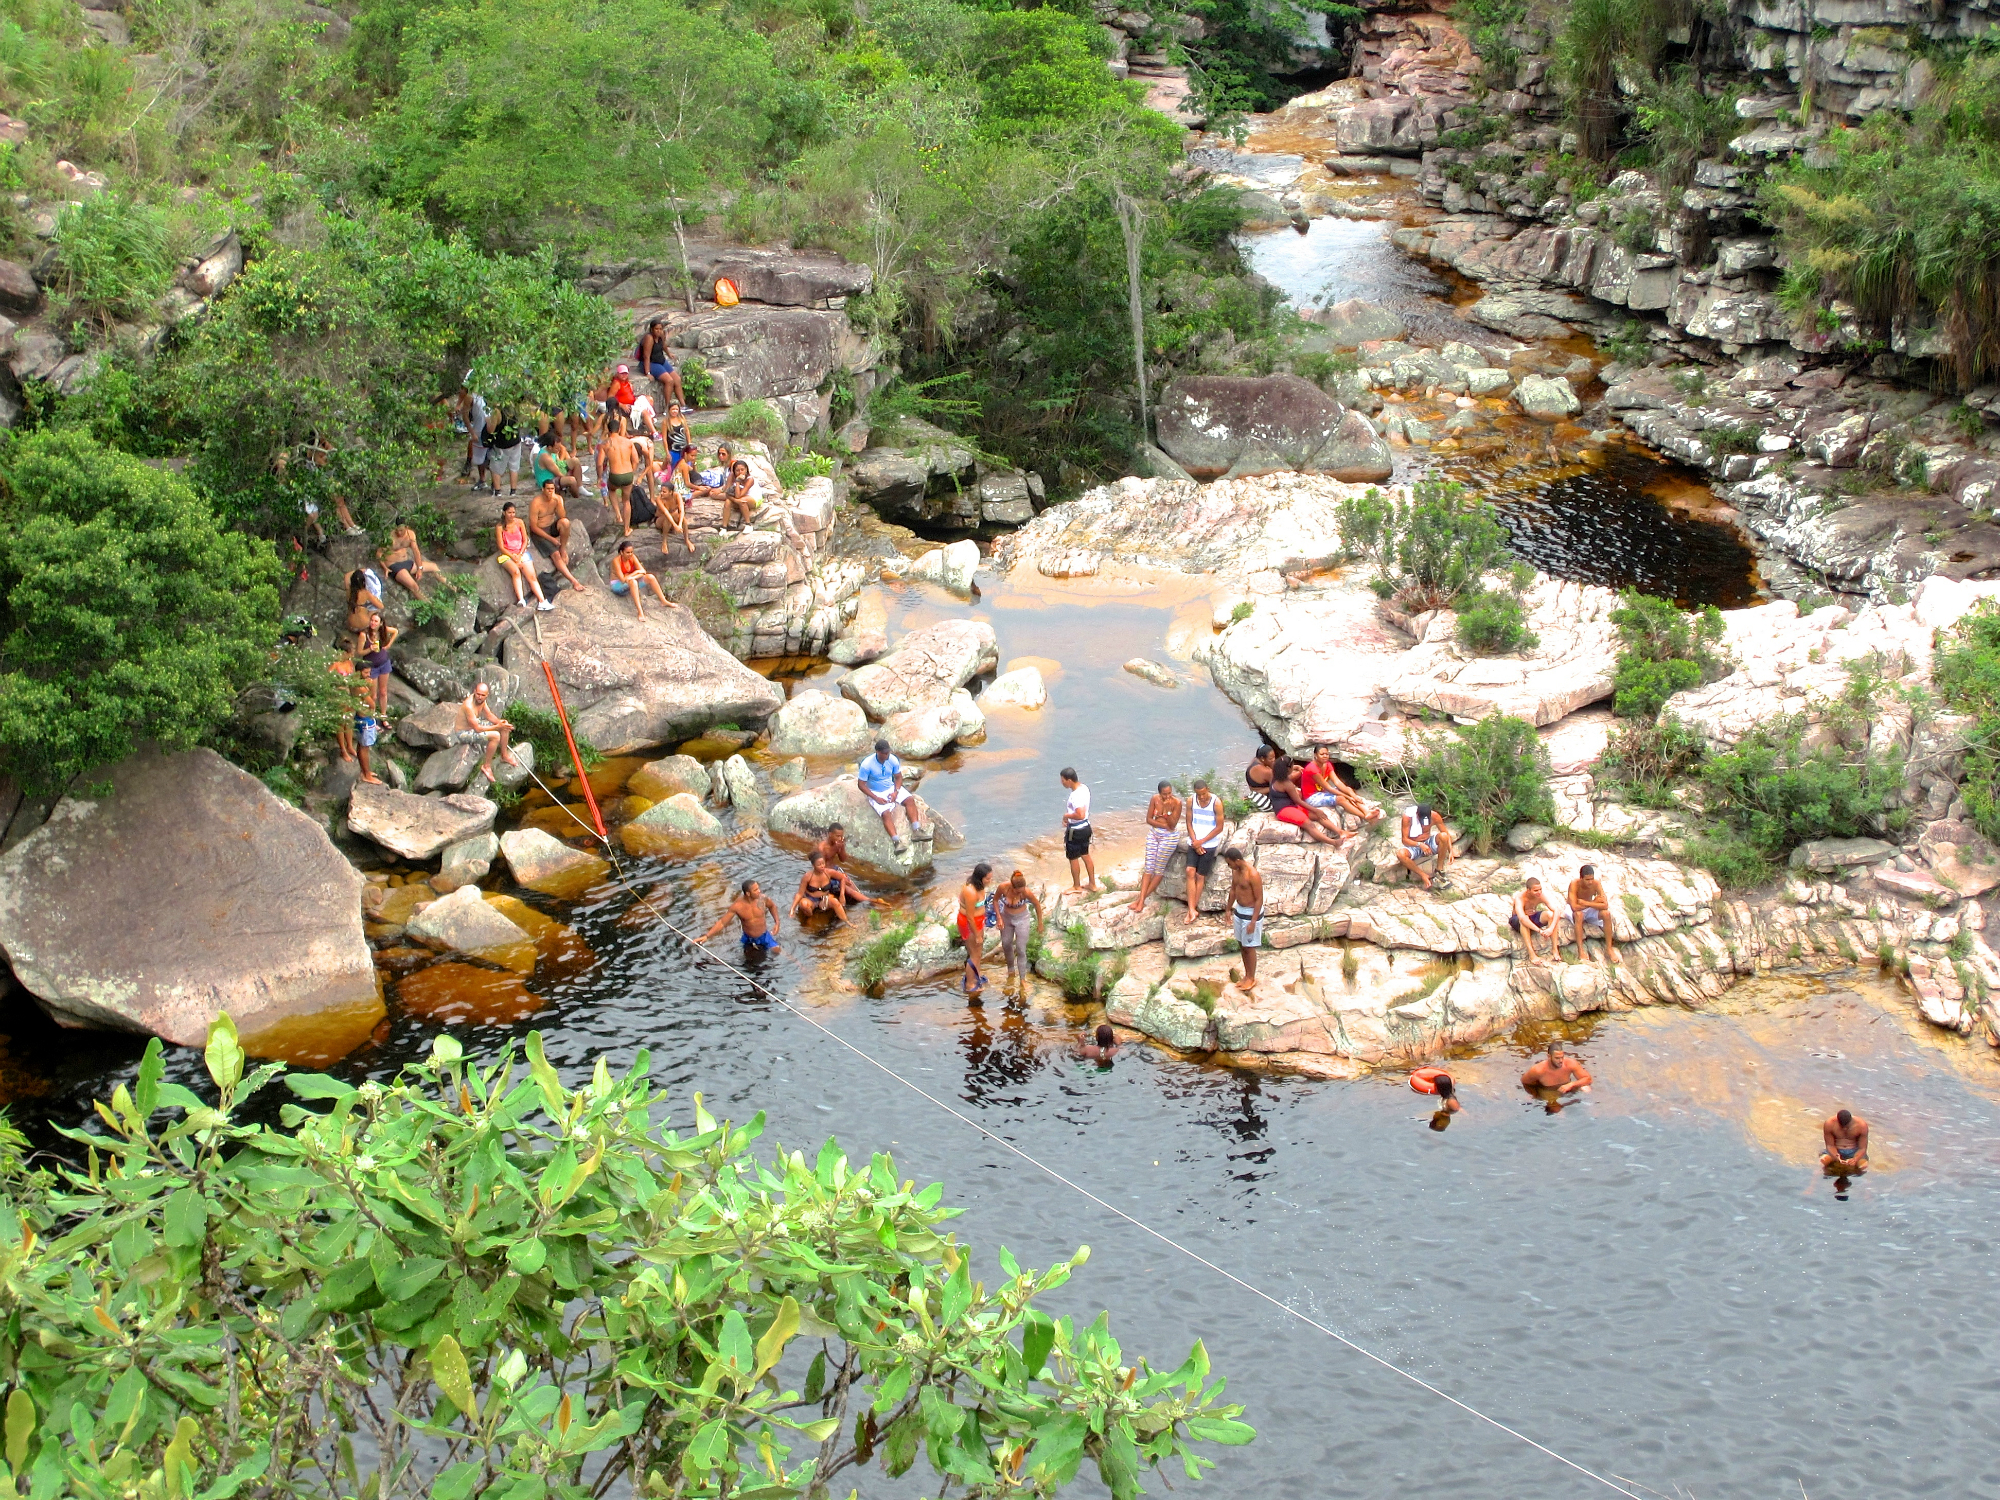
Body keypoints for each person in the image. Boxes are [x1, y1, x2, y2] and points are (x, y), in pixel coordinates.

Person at [857, 738, 926, 851]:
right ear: (877, 752)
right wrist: (875, 798)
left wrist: (896, 792)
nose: (887, 755)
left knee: (909, 799)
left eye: (888, 752)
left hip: (891, 787)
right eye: (884, 753)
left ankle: (917, 831)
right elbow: (861, 784)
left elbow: (898, 777)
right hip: (875, 792)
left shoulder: (893, 760)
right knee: (885, 813)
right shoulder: (867, 765)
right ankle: (896, 842)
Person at [1131, 779, 1184, 913]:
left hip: (1169, 837)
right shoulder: (1154, 799)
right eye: (1164, 794)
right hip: (1154, 834)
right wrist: (1162, 824)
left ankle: (1141, 900)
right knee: (1148, 868)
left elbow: (1172, 825)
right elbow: (1149, 820)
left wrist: (1167, 811)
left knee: (1158, 870)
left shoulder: (1177, 803)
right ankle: (1141, 899)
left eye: (1169, 793)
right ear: (1159, 793)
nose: (1167, 796)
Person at [452, 680, 518, 784]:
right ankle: (486, 766)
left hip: (474, 726)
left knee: (504, 727)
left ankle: (504, 756)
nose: (479, 697)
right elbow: (477, 729)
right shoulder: (468, 706)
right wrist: (497, 727)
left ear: (487, 695)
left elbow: (489, 715)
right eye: (478, 694)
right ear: (474, 691)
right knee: (495, 736)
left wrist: (500, 723)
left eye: (482, 695)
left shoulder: (482, 701)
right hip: (464, 732)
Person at [1269, 756, 1345, 846]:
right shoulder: (1287, 784)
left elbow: (1289, 769)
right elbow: (1298, 801)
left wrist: (1297, 767)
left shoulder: (1276, 776)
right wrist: (1316, 810)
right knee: (1309, 824)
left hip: (1290, 805)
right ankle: (1333, 842)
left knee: (1317, 816)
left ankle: (1340, 832)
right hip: (1284, 810)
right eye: (1292, 767)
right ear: (1288, 769)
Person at [1304, 746, 1382, 831]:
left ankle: (1367, 812)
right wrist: (1348, 797)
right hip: (1312, 797)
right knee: (1341, 799)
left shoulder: (1327, 765)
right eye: (1322, 754)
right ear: (1315, 755)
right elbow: (1329, 788)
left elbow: (1337, 782)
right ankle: (1365, 817)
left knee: (1349, 790)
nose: (1325, 756)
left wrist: (1352, 795)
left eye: (1327, 754)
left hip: (1323, 791)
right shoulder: (1312, 769)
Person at [529, 481, 585, 594]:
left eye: (552, 489)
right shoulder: (536, 503)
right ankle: (574, 581)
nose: (550, 491)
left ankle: (563, 548)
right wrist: (551, 539)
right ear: (543, 489)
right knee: (556, 555)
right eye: (548, 489)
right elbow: (534, 527)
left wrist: (558, 502)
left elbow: (563, 516)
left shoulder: (557, 499)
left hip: (551, 526)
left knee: (565, 522)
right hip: (539, 531)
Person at [698, 878, 782, 953]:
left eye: (758, 888)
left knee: (777, 951)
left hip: (764, 935)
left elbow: (772, 906)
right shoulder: (737, 906)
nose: (759, 891)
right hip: (748, 938)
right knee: (749, 960)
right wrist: (707, 936)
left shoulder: (763, 899)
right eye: (755, 890)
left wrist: (777, 923)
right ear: (748, 893)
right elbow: (722, 922)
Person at [1183, 777, 1224, 926]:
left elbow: (1219, 827)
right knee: (1189, 871)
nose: (1201, 797)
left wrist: (1202, 841)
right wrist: (1195, 841)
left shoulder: (1216, 802)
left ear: (1207, 789)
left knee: (1200, 876)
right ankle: (1192, 909)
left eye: (1203, 793)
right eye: (1198, 794)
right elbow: (1189, 821)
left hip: (1209, 843)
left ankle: (1192, 909)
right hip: (1194, 842)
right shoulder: (1190, 801)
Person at [1222, 847, 1264, 993]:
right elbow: (1233, 890)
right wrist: (1228, 909)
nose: (1229, 866)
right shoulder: (1235, 871)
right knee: (1241, 944)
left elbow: (1259, 899)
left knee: (1249, 947)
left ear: (1237, 861)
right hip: (1240, 910)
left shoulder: (1252, 874)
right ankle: (1247, 976)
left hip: (1251, 912)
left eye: (1229, 863)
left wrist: (1253, 922)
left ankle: (1251, 978)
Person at [995, 870, 1043, 996]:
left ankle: (1022, 978)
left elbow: (1037, 905)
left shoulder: (1026, 892)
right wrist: (999, 917)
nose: (1020, 893)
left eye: (1022, 890)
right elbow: (995, 901)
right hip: (1006, 917)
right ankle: (1011, 970)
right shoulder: (1003, 888)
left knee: (1021, 948)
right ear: (1012, 886)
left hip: (1022, 919)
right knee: (1006, 943)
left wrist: (1040, 924)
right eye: (1017, 891)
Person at [1567, 864, 1619, 965]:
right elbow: (1574, 907)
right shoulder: (1574, 884)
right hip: (1575, 910)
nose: (1590, 882)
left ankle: (1609, 949)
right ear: (1581, 878)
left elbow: (1605, 905)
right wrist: (1593, 903)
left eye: (1591, 879)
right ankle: (1581, 950)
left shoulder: (1596, 883)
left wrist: (1588, 903)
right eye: (1587, 879)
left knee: (1606, 914)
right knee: (1579, 915)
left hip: (1586, 906)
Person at [380, 519, 445, 601]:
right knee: (414, 586)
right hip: (394, 565)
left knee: (433, 566)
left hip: (406, 562)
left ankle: (454, 588)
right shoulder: (390, 537)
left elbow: (416, 551)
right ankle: (430, 606)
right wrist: (385, 568)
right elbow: (379, 554)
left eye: (401, 530)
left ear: (406, 528)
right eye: (397, 530)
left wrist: (419, 568)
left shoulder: (410, 535)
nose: (399, 533)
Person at [1396, 802, 1456, 890]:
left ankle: (1439, 870)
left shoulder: (1434, 816)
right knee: (1401, 854)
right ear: (1417, 814)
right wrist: (1419, 844)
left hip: (1428, 842)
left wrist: (1451, 851)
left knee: (1443, 836)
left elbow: (1445, 833)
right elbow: (1405, 840)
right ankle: (1423, 875)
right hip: (1414, 845)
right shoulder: (1407, 818)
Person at [609, 539, 670, 620]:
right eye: (627, 552)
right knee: (633, 582)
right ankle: (640, 612)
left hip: (629, 582)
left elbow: (643, 571)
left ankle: (663, 601)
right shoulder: (616, 561)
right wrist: (636, 573)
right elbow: (623, 579)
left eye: (631, 552)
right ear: (621, 552)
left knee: (650, 577)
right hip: (617, 585)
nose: (630, 554)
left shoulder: (633, 557)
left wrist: (632, 576)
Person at [813, 826, 873, 908]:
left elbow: (843, 859)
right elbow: (821, 867)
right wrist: (835, 848)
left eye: (841, 836)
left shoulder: (838, 844)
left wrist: (842, 847)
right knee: (848, 890)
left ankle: (869, 902)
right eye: (837, 836)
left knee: (853, 888)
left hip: (835, 869)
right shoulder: (822, 847)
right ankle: (871, 902)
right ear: (830, 834)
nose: (840, 838)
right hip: (826, 874)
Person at [1509, 877, 1563, 966]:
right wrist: (1539, 931)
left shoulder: (1540, 895)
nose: (1539, 892)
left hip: (1532, 917)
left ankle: (1555, 950)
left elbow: (1556, 910)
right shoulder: (1520, 898)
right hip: (1517, 920)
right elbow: (1522, 918)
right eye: (1536, 890)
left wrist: (1551, 928)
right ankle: (1532, 954)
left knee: (1550, 915)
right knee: (1525, 920)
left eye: (1540, 889)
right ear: (1528, 890)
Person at [958, 862, 993, 998]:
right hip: (969, 924)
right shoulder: (970, 891)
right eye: (988, 878)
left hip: (979, 921)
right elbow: (970, 917)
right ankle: (970, 985)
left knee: (978, 952)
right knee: (974, 953)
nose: (990, 881)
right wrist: (977, 935)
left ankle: (976, 976)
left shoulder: (981, 887)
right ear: (980, 878)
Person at [600, 416, 639, 536]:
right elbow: (636, 460)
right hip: (628, 475)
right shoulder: (628, 442)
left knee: (611, 490)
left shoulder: (605, 444)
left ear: (608, 430)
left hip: (615, 475)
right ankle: (627, 529)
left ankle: (618, 515)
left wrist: (600, 476)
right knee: (626, 501)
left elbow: (599, 463)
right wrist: (631, 471)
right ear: (620, 428)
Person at [354, 609, 397, 717]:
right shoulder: (364, 635)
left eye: (376, 621)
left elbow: (395, 631)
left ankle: (383, 715)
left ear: (380, 623)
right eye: (372, 620)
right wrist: (370, 649)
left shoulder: (382, 630)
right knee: (372, 696)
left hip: (384, 662)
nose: (373, 623)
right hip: (371, 666)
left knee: (383, 692)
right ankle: (372, 718)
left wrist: (388, 645)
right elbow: (359, 652)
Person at [1059, 767, 1095, 894]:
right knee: (1085, 854)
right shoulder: (1084, 788)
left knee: (1073, 857)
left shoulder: (1075, 796)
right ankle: (1092, 884)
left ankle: (1076, 886)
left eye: (1062, 780)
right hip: (1086, 827)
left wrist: (1066, 816)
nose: (1061, 782)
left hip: (1076, 830)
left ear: (1069, 780)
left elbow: (1080, 814)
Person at [637, 319, 684, 407]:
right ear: (651, 329)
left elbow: (664, 345)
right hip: (651, 363)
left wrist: (669, 353)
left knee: (677, 379)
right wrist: (648, 373)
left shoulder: (661, 335)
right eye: (656, 329)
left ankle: (683, 405)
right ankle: (668, 407)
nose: (659, 331)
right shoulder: (649, 338)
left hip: (661, 361)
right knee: (669, 381)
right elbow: (646, 356)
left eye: (660, 329)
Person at [793, 852, 850, 924]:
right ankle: (810, 917)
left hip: (824, 898)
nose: (822, 866)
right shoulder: (807, 876)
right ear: (813, 865)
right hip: (811, 899)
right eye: (819, 865)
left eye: (823, 863)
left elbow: (842, 878)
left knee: (835, 902)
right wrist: (792, 909)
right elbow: (799, 894)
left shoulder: (829, 872)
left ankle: (847, 921)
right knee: (804, 904)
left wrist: (842, 895)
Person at [1521, 1041, 1592, 1096]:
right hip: (1548, 1091)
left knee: (1586, 1089)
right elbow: (1524, 1082)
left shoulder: (1570, 1063)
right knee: (1558, 1112)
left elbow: (1588, 1079)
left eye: (1562, 1057)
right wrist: (1534, 1095)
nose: (1561, 1061)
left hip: (1567, 1088)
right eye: (1557, 1058)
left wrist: (1571, 1084)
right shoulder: (1538, 1070)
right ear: (1549, 1056)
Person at [485, 407, 524, 497]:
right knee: (514, 466)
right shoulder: (512, 405)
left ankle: (498, 492)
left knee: (496, 467)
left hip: (502, 444)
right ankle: (513, 491)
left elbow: (490, 430)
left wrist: (488, 421)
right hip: (515, 441)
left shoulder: (496, 412)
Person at [1820, 1108, 1869, 1173]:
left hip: (1854, 1151)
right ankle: (1813, 1182)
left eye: (1847, 1126)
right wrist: (1836, 1156)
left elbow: (1862, 1148)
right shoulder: (1829, 1123)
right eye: (1842, 1126)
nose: (1845, 1128)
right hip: (1836, 1149)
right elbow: (1830, 1145)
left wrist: (1855, 1159)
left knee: (1863, 1167)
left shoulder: (1862, 1125)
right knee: (1821, 1163)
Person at [721, 458, 762, 531]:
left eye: (742, 470)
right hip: (741, 498)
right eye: (737, 470)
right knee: (728, 501)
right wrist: (736, 501)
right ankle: (724, 527)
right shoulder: (734, 478)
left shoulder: (750, 479)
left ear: (746, 470)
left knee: (742, 500)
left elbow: (738, 496)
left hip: (754, 498)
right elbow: (728, 494)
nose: (740, 472)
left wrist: (737, 481)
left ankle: (748, 524)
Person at [1245, 745, 1276, 812]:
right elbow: (1281, 782)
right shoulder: (1266, 771)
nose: (1273, 760)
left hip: (1254, 792)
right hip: (1263, 799)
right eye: (1270, 759)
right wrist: (1298, 773)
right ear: (1262, 759)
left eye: (1274, 757)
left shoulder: (1255, 760)